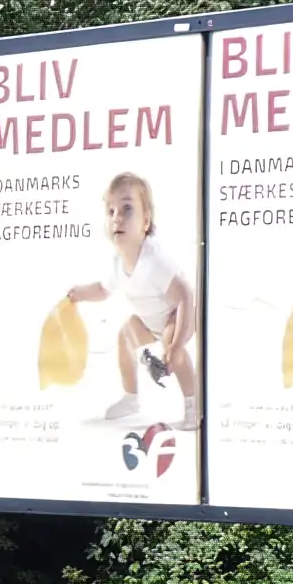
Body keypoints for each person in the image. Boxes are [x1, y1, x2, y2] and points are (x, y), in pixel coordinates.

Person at [67, 171, 197, 430]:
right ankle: (131, 398)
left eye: (127, 209)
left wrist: (178, 340)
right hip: (151, 322)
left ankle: (193, 404)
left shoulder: (153, 262)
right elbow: (104, 290)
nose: (117, 218)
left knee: (175, 349)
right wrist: (80, 293)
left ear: (146, 222)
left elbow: (185, 296)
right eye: (111, 211)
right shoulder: (118, 264)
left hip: (178, 316)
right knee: (126, 335)